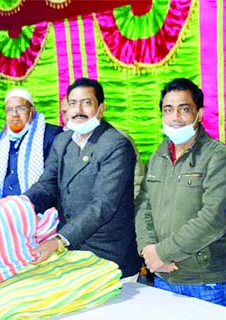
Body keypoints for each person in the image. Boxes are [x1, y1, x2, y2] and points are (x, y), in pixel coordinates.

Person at [24, 78, 142, 280]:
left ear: (101, 108)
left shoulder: (116, 144)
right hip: (74, 254)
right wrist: (19, 206)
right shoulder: (62, 141)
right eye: (72, 103)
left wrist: (59, 239)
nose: (78, 110)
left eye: (86, 102)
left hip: (108, 256)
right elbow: (47, 185)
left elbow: (102, 205)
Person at [135, 78, 226, 306]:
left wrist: (162, 253)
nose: (175, 118)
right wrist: (149, 249)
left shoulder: (218, 156)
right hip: (162, 275)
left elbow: (213, 218)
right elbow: (143, 206)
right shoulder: (158, 155)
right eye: (168, 110)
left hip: (204, 281)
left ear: (198, 114)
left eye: (184, 109)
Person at [0, 88, 62, 198]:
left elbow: (53, 178)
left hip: (38, 206)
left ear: (32, 111)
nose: (15, 114)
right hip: (6, 206)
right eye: (10, 110)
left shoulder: (51, 134)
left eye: (20, 108)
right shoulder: (2, 141)